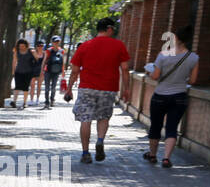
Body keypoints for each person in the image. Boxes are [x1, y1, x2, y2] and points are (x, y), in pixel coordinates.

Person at [66, 17, 130, 163]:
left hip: (87, 88)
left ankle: (85, 153)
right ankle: (100, 140)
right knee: (103, 117)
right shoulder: (118, 45)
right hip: (108, 88)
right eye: (113, 29)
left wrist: (69, 89)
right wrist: (126, 89)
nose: (113, 31)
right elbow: (125, 69)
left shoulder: (85, 46)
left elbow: (75, 70)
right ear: (109, 29)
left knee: (85, 119)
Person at [144, 28, 200, 168]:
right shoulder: (193, 58)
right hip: (179, 96)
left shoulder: (163, 55)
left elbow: (155, 76)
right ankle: (166, 158)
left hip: (160, 96)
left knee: (155, 126)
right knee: (172, 128)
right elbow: (193, 80)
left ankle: (152, 155)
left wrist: (149, 73)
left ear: (176, 38)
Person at [9, 39, 38, 109]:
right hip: (18, 71)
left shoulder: (30, 51)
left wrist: (34, 53)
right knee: (17, 87)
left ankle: (24, 103)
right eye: (20, 46)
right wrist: (13, 71)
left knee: (25, 88)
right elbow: (14, 61)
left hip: (28, 72)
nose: (21, 47)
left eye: (23, 46)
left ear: (26, 46)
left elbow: (37, 59)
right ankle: (14, 102)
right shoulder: (17, 52)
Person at [42, 36, 65, 108]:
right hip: (48, 71)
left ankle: (52, 100)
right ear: (52, 42)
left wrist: (63, 71)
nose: (56, 43)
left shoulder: (62, 51)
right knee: (47, 87)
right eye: (55, 41)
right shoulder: (48, 50)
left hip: (56, 71)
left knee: (53, 87)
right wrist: (42, 70)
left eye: (57, 41)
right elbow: (44, 60)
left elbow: (63, 62)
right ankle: (46, 102)